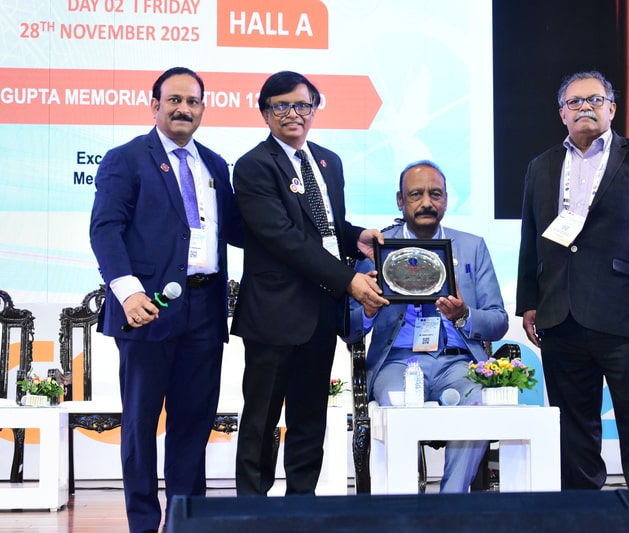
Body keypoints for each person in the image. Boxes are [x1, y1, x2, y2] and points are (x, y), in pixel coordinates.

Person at [515, 70, 629, 525]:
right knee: (573, 424)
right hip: (559, 313)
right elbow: (531, 237)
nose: (584, 107)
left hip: (625, 312)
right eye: (574, 101)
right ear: (562, 114)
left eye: (594, 99)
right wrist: (529, 301)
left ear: (612, 108)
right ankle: (583, 510)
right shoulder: (542, 165)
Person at [89, 66, 243, 533]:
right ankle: (142, 523)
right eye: (174, 100)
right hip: (147, 308)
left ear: (203, 108)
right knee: (140, 425)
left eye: (192, 101)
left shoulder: (215, 164)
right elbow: (105, 229)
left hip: (205, 309)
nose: (183, 109)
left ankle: (185, 521)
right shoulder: (126, 159)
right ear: (154, 105)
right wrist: (128, 292)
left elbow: (236, 230)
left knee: (193, 424)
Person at [231, 70, 388, 496]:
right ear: (265, 113)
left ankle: (302, 505)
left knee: (309, 417)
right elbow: (284, 238)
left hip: (320, 310)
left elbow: (325, 228)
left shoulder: (328, 162)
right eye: (281, 106)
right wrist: (348, 281)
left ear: (314, 109)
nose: (293, 114)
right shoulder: (254, 166)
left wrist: (356, 237)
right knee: (262, 418)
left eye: (302, 105)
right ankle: (252, 510)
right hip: (274, 313)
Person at [345, 160, 509, 493]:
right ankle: (407, 509)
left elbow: (499, 320)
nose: (426, 203)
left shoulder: (472, 247)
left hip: (457, 363)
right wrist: (369, 310)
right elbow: (349, 328)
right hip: (397, 362)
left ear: (446, 199)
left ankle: (449, 506)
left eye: (435, 194)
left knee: (477, 405)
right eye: (416, 194)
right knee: (396, 408)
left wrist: (464, 315)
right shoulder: (376, 249)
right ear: (400, 201)